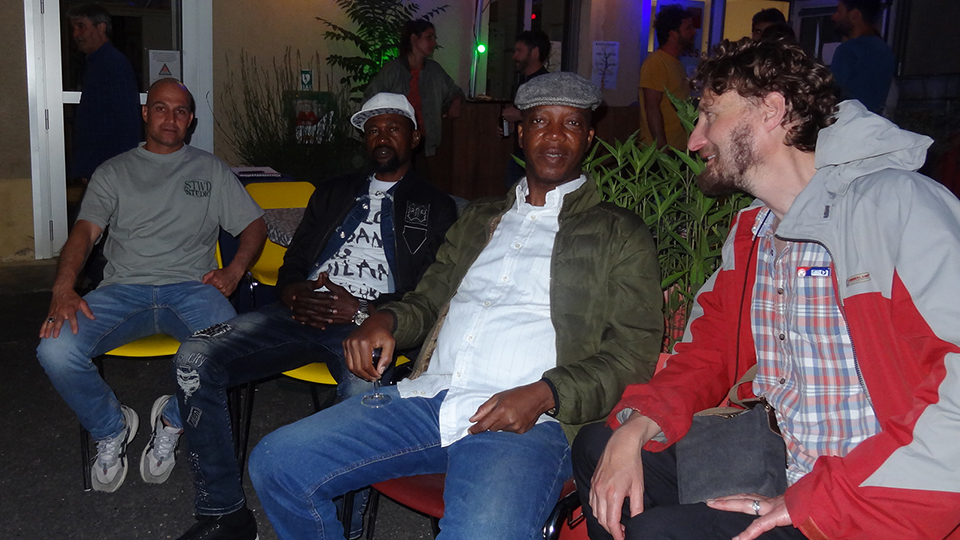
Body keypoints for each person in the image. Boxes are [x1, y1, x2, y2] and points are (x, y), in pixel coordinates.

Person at [248, 72, 664, 540]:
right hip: (431, 398)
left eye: (570, 123)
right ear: (521, 133)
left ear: (588, 138)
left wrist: (546, 392)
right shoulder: (480, 218)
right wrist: (385, 319)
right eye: (540, 121)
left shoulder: (619, 233)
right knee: (278, 462)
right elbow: (428, 298)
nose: (553, 135)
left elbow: (632, 355)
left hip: (530, 422)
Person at [574, 37, 960, 540]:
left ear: (772, 111)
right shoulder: (756, 230)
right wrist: (638, 424)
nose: (694, 140)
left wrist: (821, 501)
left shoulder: (896, 207)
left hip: (875, 489)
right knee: (600, 447)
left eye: (710, 115)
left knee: (660, 532)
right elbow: (709, 351)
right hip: (787, 463)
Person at [170, 92, 458, 540]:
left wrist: (364, 309)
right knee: (194, 357)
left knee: (362, 392)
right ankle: (223, 513)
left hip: (368, 324)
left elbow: (433, 289)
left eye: (393, 128)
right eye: (373, 130)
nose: (382, 137)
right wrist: (291, 292)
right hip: (301, 312)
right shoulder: (333, 191)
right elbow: (295, 260)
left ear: (414, 138)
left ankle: (342, 530)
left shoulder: (436, 205)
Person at [37, 78, 266, 494]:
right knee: (55, 349)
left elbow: (254, 225)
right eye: (161, 108)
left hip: (191, 288)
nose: (170, 118)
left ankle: (171, 421)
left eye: (181, 111)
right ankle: (111, 426)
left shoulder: (210, 169)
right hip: (123, 289)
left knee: (233, 348)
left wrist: (234, 271)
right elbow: (84, 233)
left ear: (190, 120)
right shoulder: (114, 171)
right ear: (145, 113)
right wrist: (63, 289)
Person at [364, 19, 465, 165]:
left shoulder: (434, 70)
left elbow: (454, 90)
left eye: (434, 38)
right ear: (413, 38)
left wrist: (457, 100)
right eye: (429, 37)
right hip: (397, 143)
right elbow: (370, 101)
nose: (434, 43)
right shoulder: (393, 70)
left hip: (426, 144)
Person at [67, 3, 142, 183]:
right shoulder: (95, 64)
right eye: (74, 28)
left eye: (81, 26)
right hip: (99, 165)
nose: (76, 34)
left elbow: (127, 121)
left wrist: (121, 169)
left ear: (101, 27)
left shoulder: (114, 64)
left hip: (109, 167)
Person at [639, 5, 696, 150]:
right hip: (663, 151)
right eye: (688, 28)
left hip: (678, 149)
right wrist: (662, 148)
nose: (694, 32)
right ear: (673, 34)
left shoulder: (675, 63)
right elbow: (652, 108)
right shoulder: (656, 62)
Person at [502, 30, 552, 188]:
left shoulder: (546, 83)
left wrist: (519, 115)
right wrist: (511, 126)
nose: (514, 56)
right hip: (520, 153)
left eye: (519, 51)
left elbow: (548, 117)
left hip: (537, 156)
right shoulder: (522, 82)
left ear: (535, 52)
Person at [830, 0, 895, 114]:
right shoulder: (885, 50)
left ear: (854, 14)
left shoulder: (848, 50)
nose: (834, 17)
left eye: (839, 12)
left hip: (846, 119)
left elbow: (831, 94)